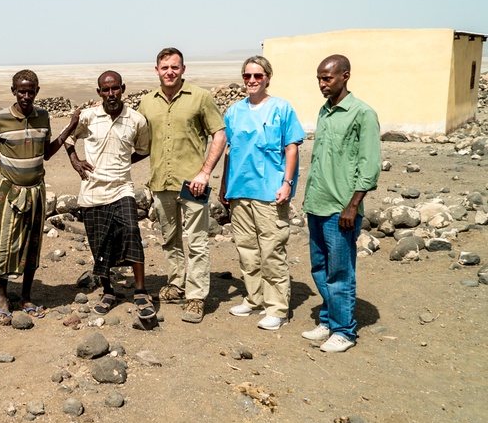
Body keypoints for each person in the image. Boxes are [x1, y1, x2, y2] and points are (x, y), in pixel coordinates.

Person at [138, 47, 226, 324]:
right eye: (165, 67)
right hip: (161, 183)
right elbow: (135, 137)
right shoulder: (147, 102)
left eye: (175, 67)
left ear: (183, 69)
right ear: (157, 70)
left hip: (193, 184)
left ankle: (196, 296)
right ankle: (176, 284)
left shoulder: (200, 97)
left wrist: (205, 173)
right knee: (169, 239)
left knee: (197, 241)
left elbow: (219, 135)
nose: (170, 72)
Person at [301, 54, 380, 353]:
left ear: (345, 76)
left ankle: (344, 331)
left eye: (327, 78)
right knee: (319, 267)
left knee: (340, 271)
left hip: (341, 208)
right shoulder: (325, 111)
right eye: (319, 78)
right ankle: (329, 319)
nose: (322, 84)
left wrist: (353, 205)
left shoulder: (362, 113)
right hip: (317, 203)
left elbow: (369, 163)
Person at [220, 56, 305, 331]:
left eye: (257, 75)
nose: (252, 81)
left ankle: (277, 308)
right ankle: (254, 298)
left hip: (270, 191)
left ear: (268, 77)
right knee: (246, 249)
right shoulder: (234, 111)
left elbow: (291, 147)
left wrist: (287, 183)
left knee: (271, 249)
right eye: (247, 76)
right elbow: (230, 151)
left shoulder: (281, 108)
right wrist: (224, 185)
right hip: (240, 190)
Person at [66, 71, 157, 323]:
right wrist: (75, 161)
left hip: (121, 187)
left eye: (115, 88)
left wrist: (123, 162)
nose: (110, 94)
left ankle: (140, 291)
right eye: (105, 90)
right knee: (99, 242)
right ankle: (107, 292)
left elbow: (144, 149)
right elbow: (68, 137)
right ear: (99, 92)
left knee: (131, 230)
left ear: (122, 88)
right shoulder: (88, 116)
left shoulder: (136, 119)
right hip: (92, 190)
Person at [0, 69, 79, 324]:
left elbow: (47, 153)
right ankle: (2, 297)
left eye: (31, 91)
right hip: (11, 193)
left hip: (36, 192)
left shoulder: (43, 116)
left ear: (37, 92)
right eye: (22, 91)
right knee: (5, 245)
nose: (26, 96)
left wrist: (70, 127)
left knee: (32, 244)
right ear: (13, 91)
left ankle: (26, 297)